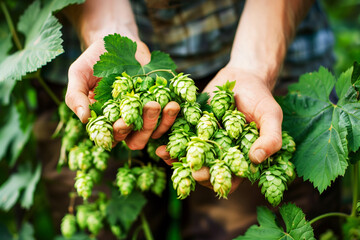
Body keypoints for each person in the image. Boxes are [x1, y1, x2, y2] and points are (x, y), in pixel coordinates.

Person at [63, 0, 337, 239]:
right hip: (92, 67)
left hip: (269, 49)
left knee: (239, 225)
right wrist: (107, 33)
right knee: (103, 233)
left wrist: (253, 66)